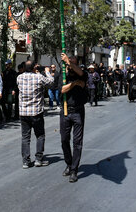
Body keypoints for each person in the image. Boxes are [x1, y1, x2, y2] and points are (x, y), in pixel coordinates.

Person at [17, 60, 54, 169]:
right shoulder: (38, 77)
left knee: (25, 137)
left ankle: (26, 161)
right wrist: (47, 72)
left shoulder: (19, 77)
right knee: (40, 135)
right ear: (34, 68)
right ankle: (38, 159)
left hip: (23, 112)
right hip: (36, 111)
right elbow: (51, 82)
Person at [59, 53, 87, 182]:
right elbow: (62, 90)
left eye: (73, 63)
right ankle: (69, 164)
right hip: (65, 111)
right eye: (69, 63)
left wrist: (70, 64)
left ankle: (74, 170)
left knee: (77, 143)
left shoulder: (82, 73)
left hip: (78, 111)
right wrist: (74, 84)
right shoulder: (63, 74)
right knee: (64, 140)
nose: (71, 65)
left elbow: (80, 73)